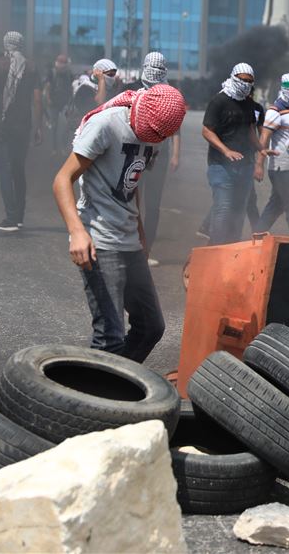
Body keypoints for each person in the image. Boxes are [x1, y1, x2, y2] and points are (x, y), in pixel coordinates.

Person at [52, 84, 186, 362]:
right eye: (155, 133)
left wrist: (140, 235)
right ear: (142, 113)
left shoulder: (154, 130)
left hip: (129, 240)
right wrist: (77, 232)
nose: (156, 139)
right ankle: (93, 400)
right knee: (109, 337)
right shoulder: (105, 125)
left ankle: (113, 388)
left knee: (151, 327)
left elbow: (129, 182)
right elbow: (62, 180)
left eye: (162, 136)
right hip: (98, 240)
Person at [0, 31, 42, 232]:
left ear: (5, 43)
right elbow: (37, 99)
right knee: (18, 169)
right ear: (21, 44)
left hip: (2, 124)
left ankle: (10, 217)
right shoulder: (32, 66)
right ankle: (19, 217)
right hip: (23, 125)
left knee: (5, 169)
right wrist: (38, 126)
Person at [203, 63, 265, 245]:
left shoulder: (248, 103)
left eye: (250, 81)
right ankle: (214, 251)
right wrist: (226, 150)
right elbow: (207, 131)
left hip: (244, 167)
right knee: (222, 210)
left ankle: (231, 249)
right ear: (234, 78)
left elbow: (250, 130)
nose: (246, 84)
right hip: (220, 166)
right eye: (243, 80)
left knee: (239, 211)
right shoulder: (219, 101)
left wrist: (261, 148)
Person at [136, 52, 180, 264]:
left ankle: (146, 250)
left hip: (158, 157)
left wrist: (176, 155)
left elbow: (176, 128)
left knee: (152, 206)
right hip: (134, 154)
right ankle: (130, 248)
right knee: (131, 203)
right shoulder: (133, 90)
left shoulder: (170, 94)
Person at [255, 73, 289, 236]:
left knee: (276, 205)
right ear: (283, 88)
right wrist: (259, 165)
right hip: (281, 167)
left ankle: (257, 235)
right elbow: (264, 138)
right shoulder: (275, 110)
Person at [43, 54, 74, 156]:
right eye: (60, 62)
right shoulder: (51, 73)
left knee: (66, 125)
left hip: (65, 103)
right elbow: (47, 86)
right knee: (54, 126)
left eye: (63, 62)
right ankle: (54, 148)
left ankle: (63, 147)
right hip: (53, 103)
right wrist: (48, 99)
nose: (61, 64)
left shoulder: (69, 74)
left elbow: (72, 88)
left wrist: (71, 101)